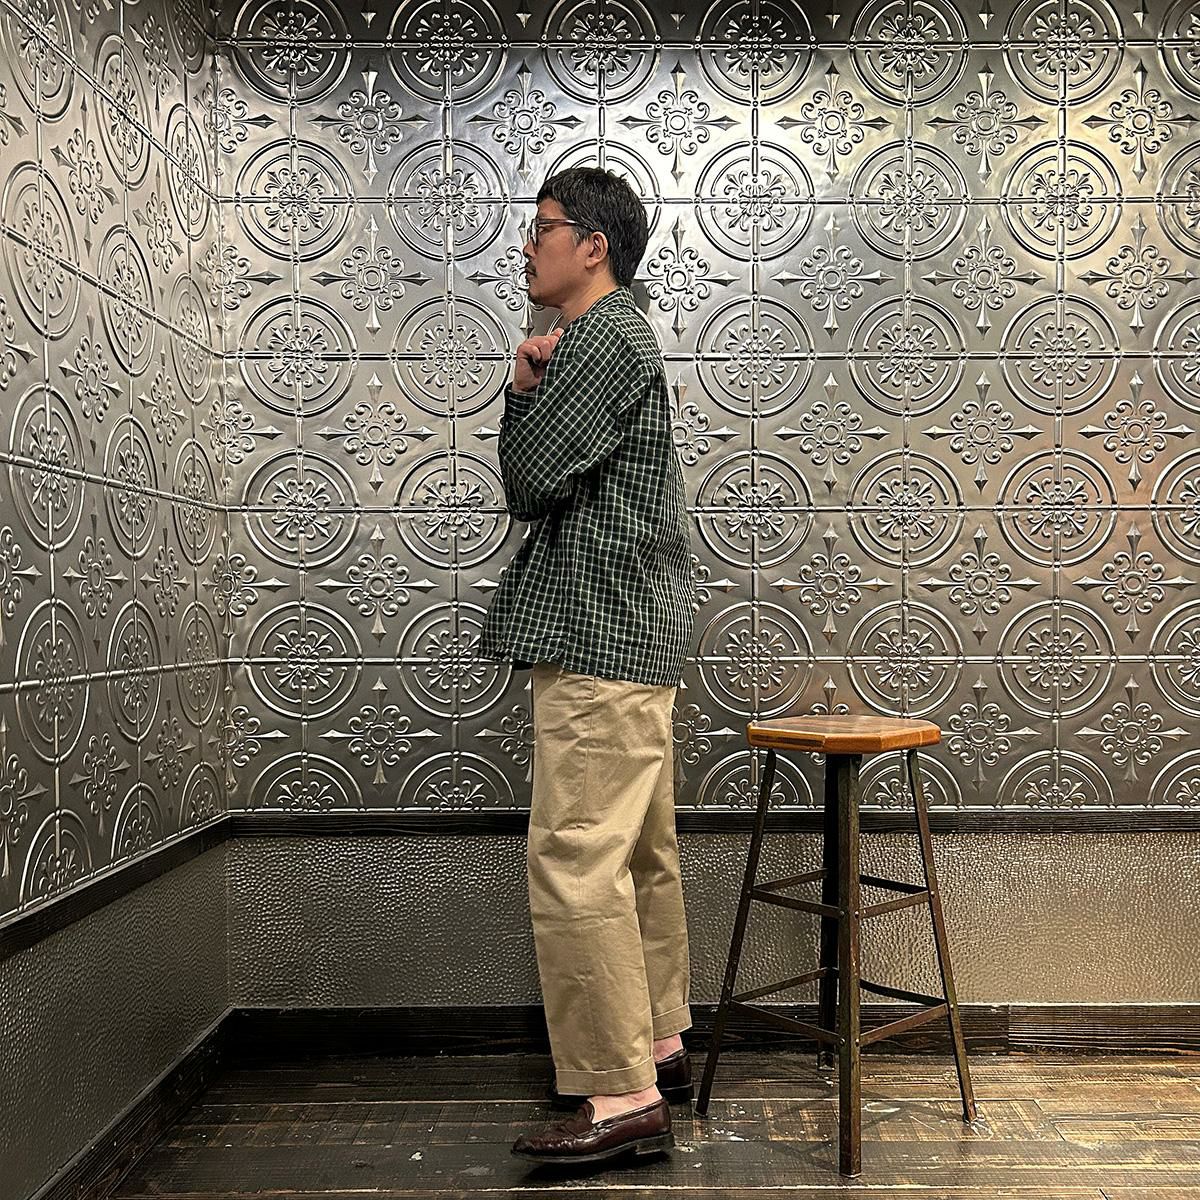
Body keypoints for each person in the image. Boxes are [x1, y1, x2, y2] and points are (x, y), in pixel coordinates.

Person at [478, 167, 697, 1166]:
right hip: (630, 633)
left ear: (592, 246)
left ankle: (621, 1095)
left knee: (575, 858)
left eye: (543, 228)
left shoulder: (602, 338)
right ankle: (658, 1046)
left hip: (598, 634)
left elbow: (530, 483)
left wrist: (522, 392)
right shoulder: (621, 337)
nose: (529, 247)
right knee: (638, 855)